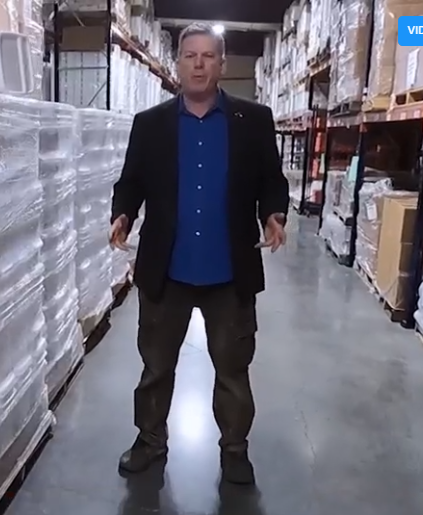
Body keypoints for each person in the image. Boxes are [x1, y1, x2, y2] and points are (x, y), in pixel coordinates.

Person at [109, 23, 290, 485]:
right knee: (156, 367)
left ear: (222, 65)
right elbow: (131, 181)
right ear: (178, 63)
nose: (198, 64)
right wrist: (123, 214)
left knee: (233, 370)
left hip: (229, 271)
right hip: (167, 270)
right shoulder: (150, 125)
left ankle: (234, 450)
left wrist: (273, 215)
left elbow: (272, 179)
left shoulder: (254, 120)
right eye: (190, 55)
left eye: (208, 56)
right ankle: (150, 441)